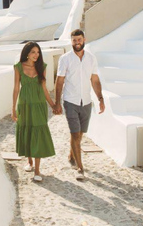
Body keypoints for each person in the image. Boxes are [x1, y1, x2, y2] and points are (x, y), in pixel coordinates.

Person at [55, 29, 105, 181]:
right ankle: (80, 167)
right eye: (74, 40)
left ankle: (72, 154)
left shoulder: (91, 58)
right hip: (70, 100)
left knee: (80, 133)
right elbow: (60, 81)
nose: (77, 42)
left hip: (86, 101)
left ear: (84, 40)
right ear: (71, 42)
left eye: (79, 39)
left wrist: (100, 98)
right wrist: (57, 102)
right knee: (75, 133)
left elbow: (94, 79)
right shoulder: (65, 59)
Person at [11, 41, 58, 182]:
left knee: (38, 132)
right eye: (33, 52)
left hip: (38, 105)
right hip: (24, 105)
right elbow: (16, 88)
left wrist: (53, 105)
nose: (36, 55)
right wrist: (13, 108)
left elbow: (44, 88)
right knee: (27, 131)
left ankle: (37, 170)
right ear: (27, 53)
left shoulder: (42, 67)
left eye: (38, 52)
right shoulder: (18, 67)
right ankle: (29, 161)